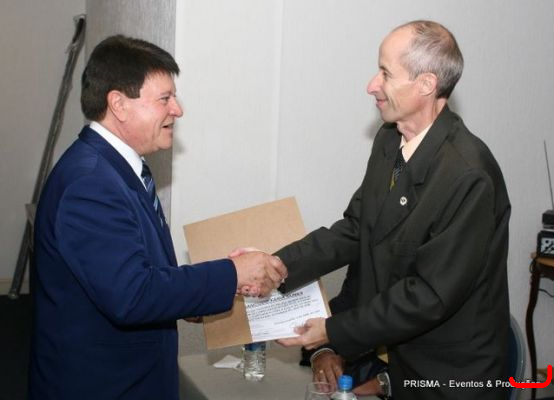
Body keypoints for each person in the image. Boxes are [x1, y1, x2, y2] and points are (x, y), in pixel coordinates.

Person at [29, 35, 287, 400]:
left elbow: (139, 272)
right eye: (165, 99)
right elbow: (132, 294)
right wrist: (233, 273)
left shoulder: (116, 169)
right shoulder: (91, 184)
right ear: (118, 104)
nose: (177, 110)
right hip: (104, 386)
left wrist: (196, 299)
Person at [274, 20, 511, 400]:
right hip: (396, 359)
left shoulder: (469, 175)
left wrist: (331, 331)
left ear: (426, 84)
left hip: (449, 378)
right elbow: (357, 229)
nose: (372, 85)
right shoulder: (390, 141)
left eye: (385, 73)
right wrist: (277, 266)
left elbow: (429, 295)